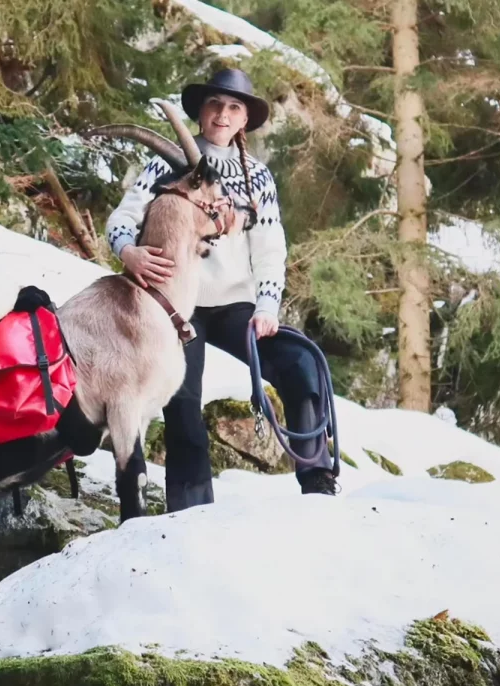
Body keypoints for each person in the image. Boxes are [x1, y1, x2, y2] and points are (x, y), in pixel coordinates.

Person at [104, 67, 338, 511]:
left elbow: (270, 249)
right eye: (215, 104)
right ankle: (190, 511)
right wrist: (128, 253)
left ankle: (318, 482)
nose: (223, 114)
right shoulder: (165, 162)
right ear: (201, 110)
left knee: (302, 362)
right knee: (183, 401)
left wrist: (267, 304)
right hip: (176, 307)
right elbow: (121, 219)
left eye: (234, 107)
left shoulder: (259, 178)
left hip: (236, 306)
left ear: (245, 119)